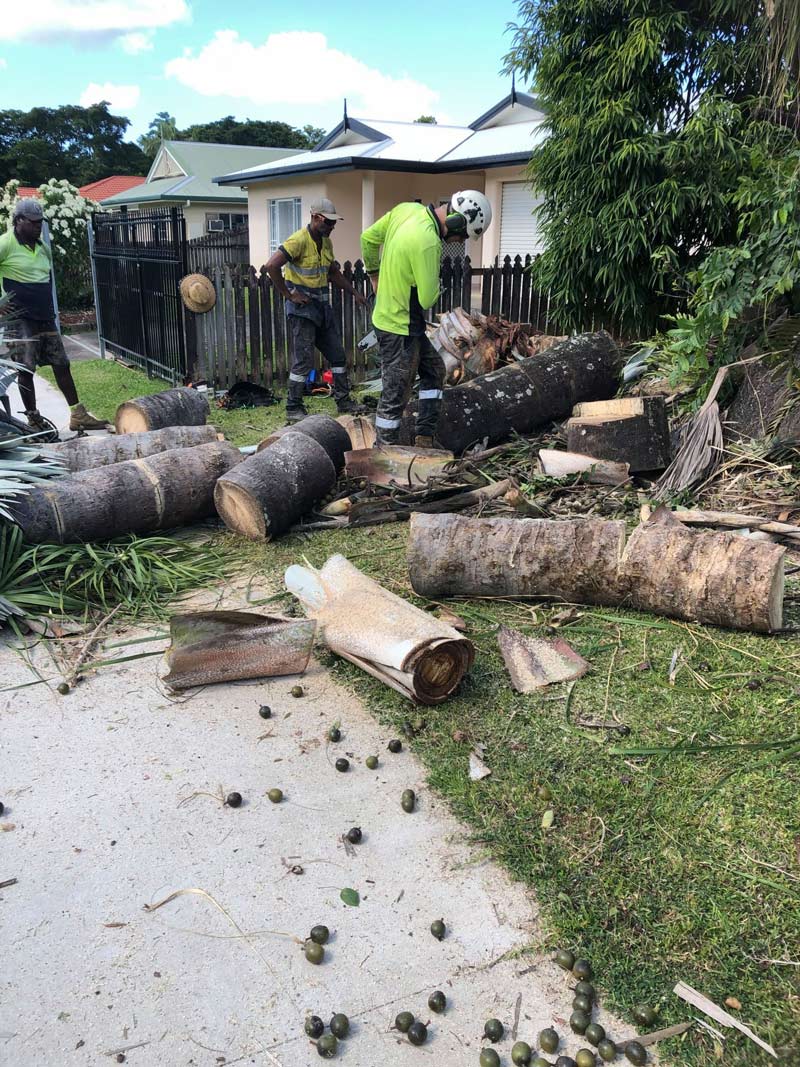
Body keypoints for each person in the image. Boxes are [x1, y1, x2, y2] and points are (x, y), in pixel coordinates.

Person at [360, 190, 493, 448]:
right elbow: (427, 299)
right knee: (395, 394)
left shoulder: (406, 209)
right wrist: (433, 279)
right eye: (462, 234)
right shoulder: (429, 242)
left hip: (399, 321)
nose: (457, 240)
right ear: (457, 221)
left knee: (434, 371)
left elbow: (367, 238)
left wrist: (374, 274)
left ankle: (425, 436)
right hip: (400, 326)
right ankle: (383, 454)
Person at [0, 198, 107, 432]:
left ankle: (78, 415)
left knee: (62, 364)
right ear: (18, 221)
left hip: (44, 316)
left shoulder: (42, 247)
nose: (38, 226)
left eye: (40, 222)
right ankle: (34, 419)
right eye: (33, 222)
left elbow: (45, 280)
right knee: (26, 368)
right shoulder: (6, 243)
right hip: (20, 319)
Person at [265, 198, 367, 424]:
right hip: (302, 311)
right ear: (315, 218)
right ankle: (293, 407)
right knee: (303, 361)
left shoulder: (326, 243)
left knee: (338, 356)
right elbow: (272, 265)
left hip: (322, 309)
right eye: (328, 222)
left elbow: (333, 273)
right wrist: (289, 294)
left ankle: (343, 401)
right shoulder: (298, 240)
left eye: (333, 223)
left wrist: (354, 292)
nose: (332, 227)